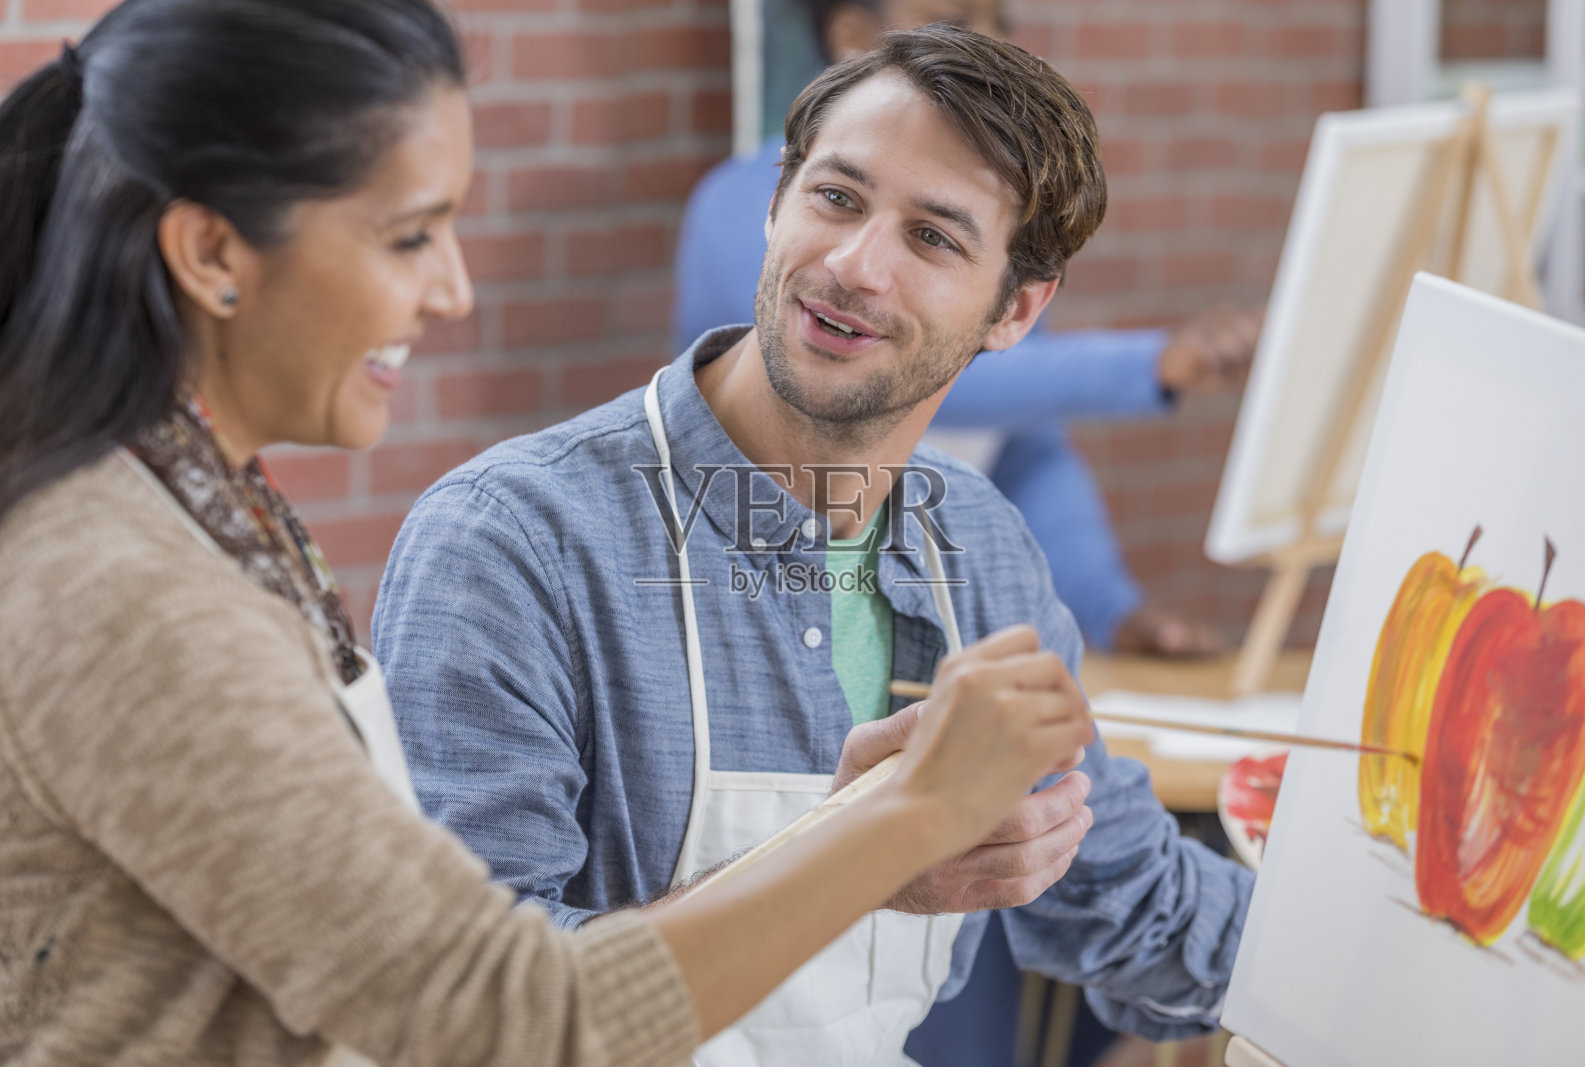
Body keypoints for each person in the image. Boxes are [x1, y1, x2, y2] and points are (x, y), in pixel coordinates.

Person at [0, 4, 1099, 1065]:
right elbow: (497, 1018)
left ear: (1018, 304)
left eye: (931, 236)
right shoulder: (133, 595)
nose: (454, 291)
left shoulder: (206, 516)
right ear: (213, 253)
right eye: (409, 236)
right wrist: (897, 822)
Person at [376, 26, 1255, 1067]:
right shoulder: (512, 543)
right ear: (777, 200)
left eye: (933, 238)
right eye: (836, 197)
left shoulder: (977, 550)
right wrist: (869, 846)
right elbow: (475, 1022)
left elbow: (1134, 903)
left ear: (1015, 309)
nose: (853, 266)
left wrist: (1403, 945)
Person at [675, 0, 1262, 659]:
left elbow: (1024, 443)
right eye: (954, 20)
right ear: (854, 36)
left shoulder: (977, 536)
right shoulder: (737, 203)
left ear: (1016, 312)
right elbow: (946, 383)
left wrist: (1111, 610)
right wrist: (1152, 364)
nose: (988, 43)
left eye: (932, 237)